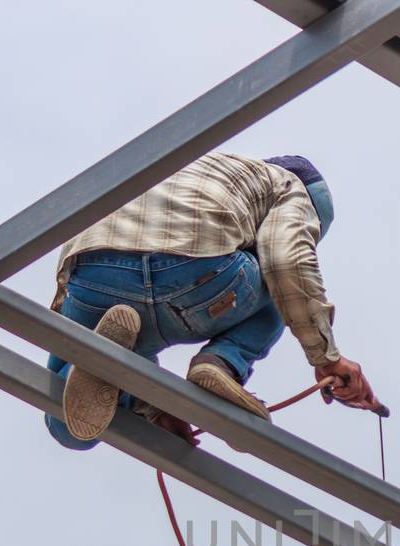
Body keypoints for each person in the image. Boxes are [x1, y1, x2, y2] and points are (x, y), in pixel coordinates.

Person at [44, 152, 379, 449]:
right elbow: (285, 261)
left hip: (92, 276)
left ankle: (108, 392)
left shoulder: (197, 168)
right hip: (191, 271)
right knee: (284, 284)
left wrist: (157, 405)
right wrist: (326, 357)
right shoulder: (292, 186)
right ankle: (222, 362)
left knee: (66, 414)